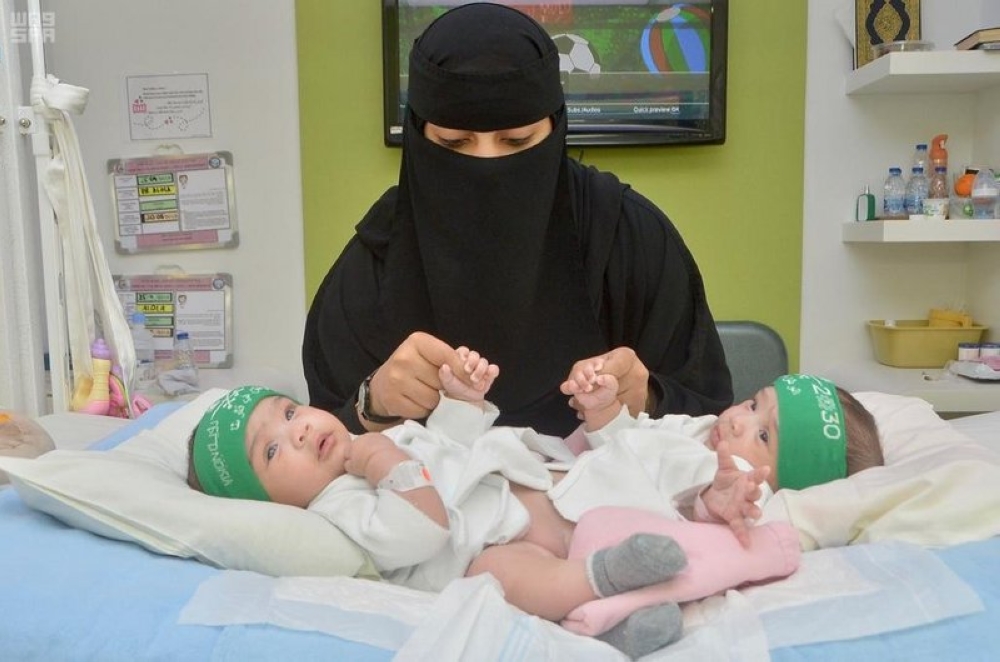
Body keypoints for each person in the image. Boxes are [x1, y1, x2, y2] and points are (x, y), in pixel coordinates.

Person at [302, 2, 733, 438]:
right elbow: (315, 445)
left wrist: (648, 396)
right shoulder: (377, 259)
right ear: (419, 136)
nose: (488, 163)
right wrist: (371, 403)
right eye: (454, 143)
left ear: (556, 128)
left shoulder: (627, 237)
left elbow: (716, 422)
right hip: (425, 502)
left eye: (517, 140)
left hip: (598, 504)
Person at [188, 350, 694, 658]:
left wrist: (460, 402)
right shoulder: (335, 507)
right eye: (272, 450)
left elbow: (444, 448)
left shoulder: (375, 444)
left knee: (586, 472)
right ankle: (607, 583)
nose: (297, 431)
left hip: (507, 499)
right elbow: (421, 530)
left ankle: (636, 580)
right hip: (488, 549)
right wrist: (387, 464)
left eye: (290, 411)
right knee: (503, 579)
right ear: (269, 503)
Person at [557, 365, 883, 545]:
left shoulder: (738, 480)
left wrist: (714, 500)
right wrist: (604, 409)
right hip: (573, 484)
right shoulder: (705, 430)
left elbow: (706, 505)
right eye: (754, 404)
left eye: (764, 435)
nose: (739, 421)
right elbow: (628, 442)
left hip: (581, 527)